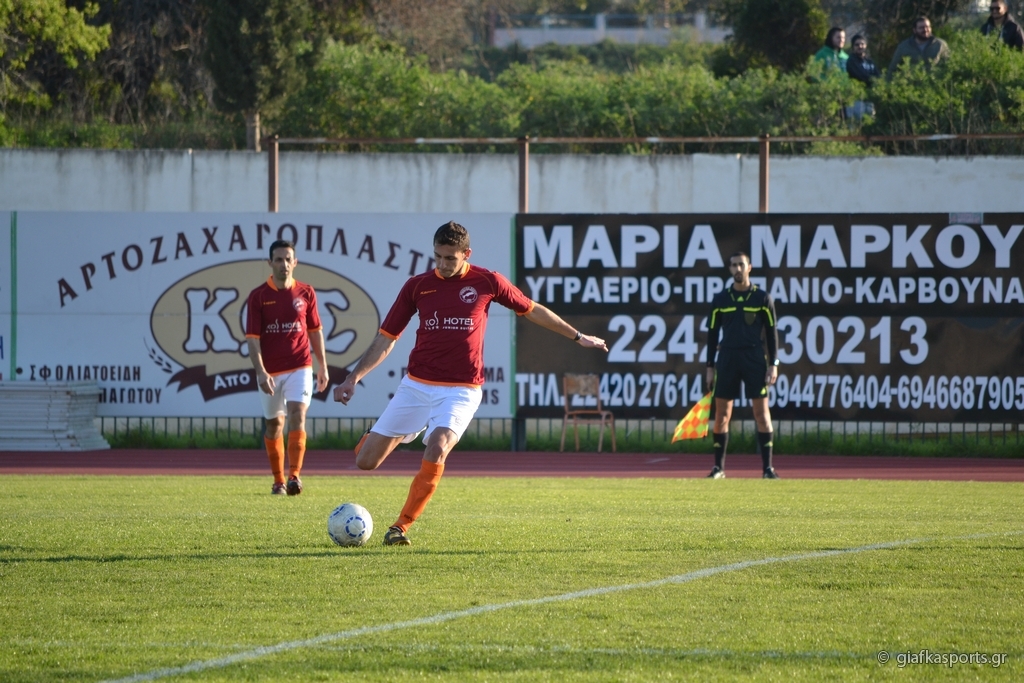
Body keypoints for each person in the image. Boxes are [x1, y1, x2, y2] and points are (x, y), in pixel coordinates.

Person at [333, 221, 608, 546]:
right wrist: (353, 378)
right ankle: (391, 434)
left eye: (450, 258)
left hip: (461, 390)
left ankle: (400, 527)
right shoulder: (417, 286)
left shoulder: (487, 281)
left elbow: (532, 310)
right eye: (438, 257)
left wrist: (578, 336)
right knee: (365, 462)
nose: (443, 264)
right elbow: (386, 338)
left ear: (467, 254)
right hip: (416, 386)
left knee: (438, 446)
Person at [246, 240, 329, 495]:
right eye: (279, 259)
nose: (284, 264)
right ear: (270, 263)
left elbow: (315, 331)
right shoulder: (258, 296)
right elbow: (252, 339)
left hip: (300, 366)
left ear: (295, 262)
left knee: (298, 414)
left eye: (288, 259)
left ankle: (294, 476)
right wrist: (261, 371)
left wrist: (323, 366)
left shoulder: (306, 292)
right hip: (271, 371)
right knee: (274, 425)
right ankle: (278, 480)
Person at [704, 252, 779, 479]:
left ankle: (768, 469)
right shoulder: (720, 299)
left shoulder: (762, 298)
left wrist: (773, 364)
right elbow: (712, 335)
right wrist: (710, 367)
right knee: (722, 415)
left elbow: (772, 333)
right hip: (727, 358)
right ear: (730, 269)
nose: (738, 269)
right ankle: (719, 468)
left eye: (741, 265)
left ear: (749, 267)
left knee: (762, 414)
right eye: (734, 265)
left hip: (754, 358)